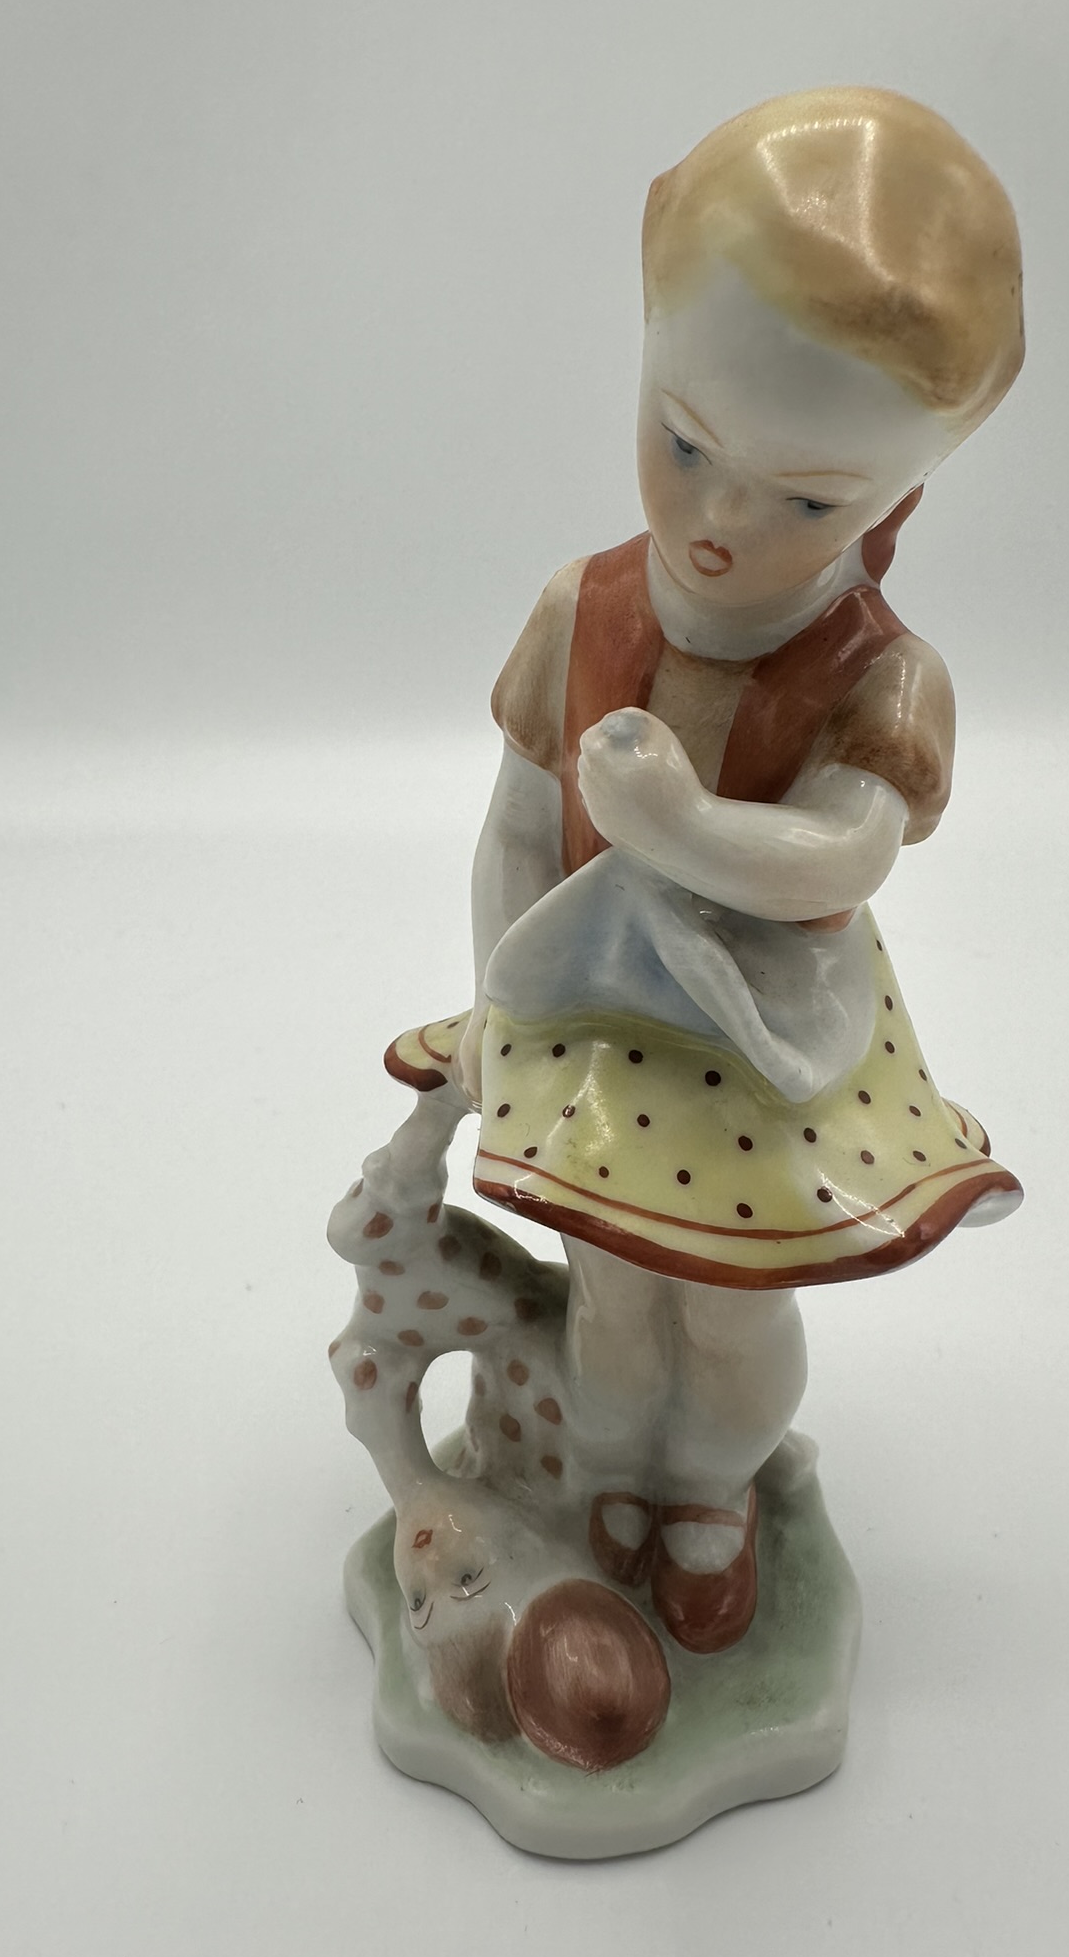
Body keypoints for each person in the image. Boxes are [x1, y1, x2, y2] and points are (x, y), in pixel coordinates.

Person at [388, 88, 1026, 1654]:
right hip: (591, 1030)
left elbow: (846, 851)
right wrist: (498, 1004)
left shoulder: (883, 674)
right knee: (611, 1287)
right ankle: (614, 1470)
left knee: (733, 1305)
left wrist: (676, 828)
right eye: (684, 443)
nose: (724, 521)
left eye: (808, 498)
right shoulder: (582, 608)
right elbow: (517, 825)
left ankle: (712, 1492)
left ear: (899, 501)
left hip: (765, 1047)